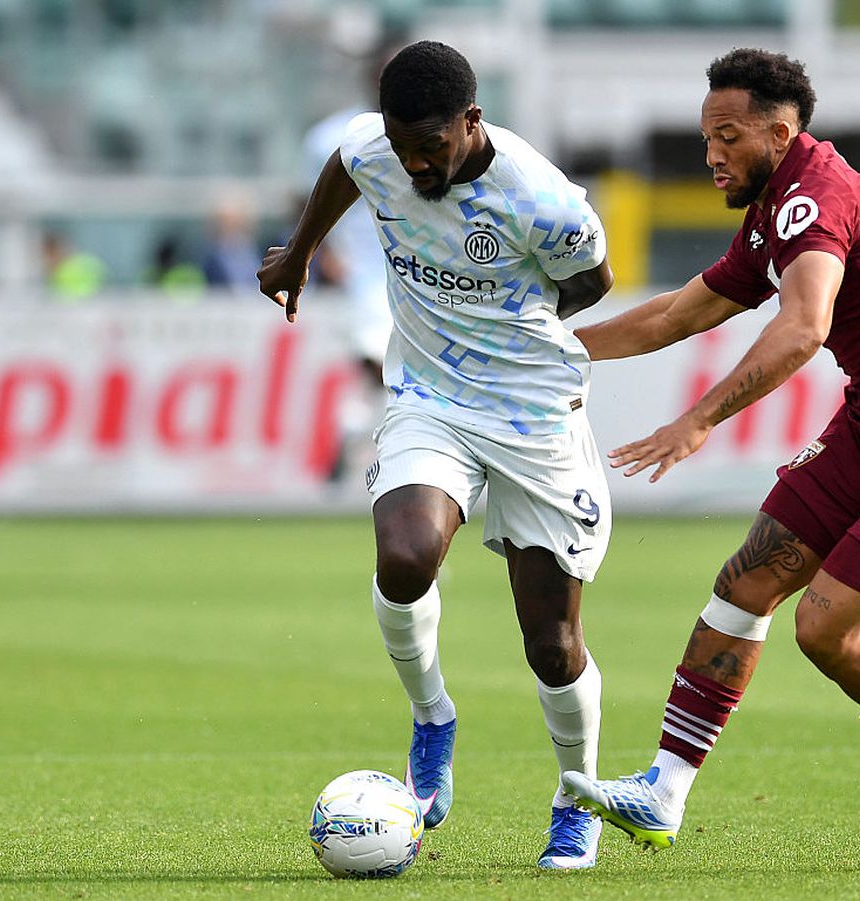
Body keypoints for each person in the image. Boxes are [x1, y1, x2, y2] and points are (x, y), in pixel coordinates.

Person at [559, 48, 860, 853]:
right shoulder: (778, 206)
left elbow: (804, 328)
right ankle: (663, 791)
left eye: (728, 137)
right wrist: (554, 350)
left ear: (780, 132)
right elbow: (676, 315)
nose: (712, 154)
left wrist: (699, 418)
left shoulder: (813, 198)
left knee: (823, 626)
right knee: (747, 580)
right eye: (707, 138)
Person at [257, 41, 615, 869]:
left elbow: (591, 283)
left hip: (534, 415)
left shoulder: (544, 202)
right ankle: (432, 716)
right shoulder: (376, 148)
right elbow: (346, 167)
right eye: (402, 144)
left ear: (471, 121)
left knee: (552, 642)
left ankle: (577, 798)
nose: (415, 163)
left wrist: (508, 325)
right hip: (432, 398)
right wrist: (299, 252)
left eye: (431, 146)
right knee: (405, 554)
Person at [298, 35, 403, 483]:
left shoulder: (432, 133)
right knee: (374, 360)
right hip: (362, 271)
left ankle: (359, 429)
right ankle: (361, 433)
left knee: (389, 368)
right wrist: (320, 253)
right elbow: (304, 202)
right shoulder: (331, 137)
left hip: (422, 271)